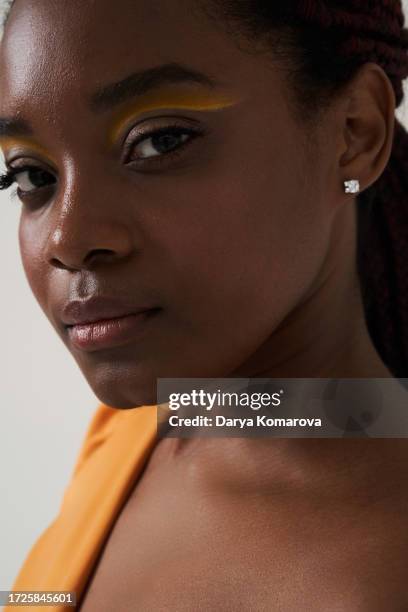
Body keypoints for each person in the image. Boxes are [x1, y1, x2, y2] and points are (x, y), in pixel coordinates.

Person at [1, 0, 408, 609]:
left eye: (160, 141)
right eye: (32, 177)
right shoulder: (144, 433)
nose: (67, 239)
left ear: (354, 133)